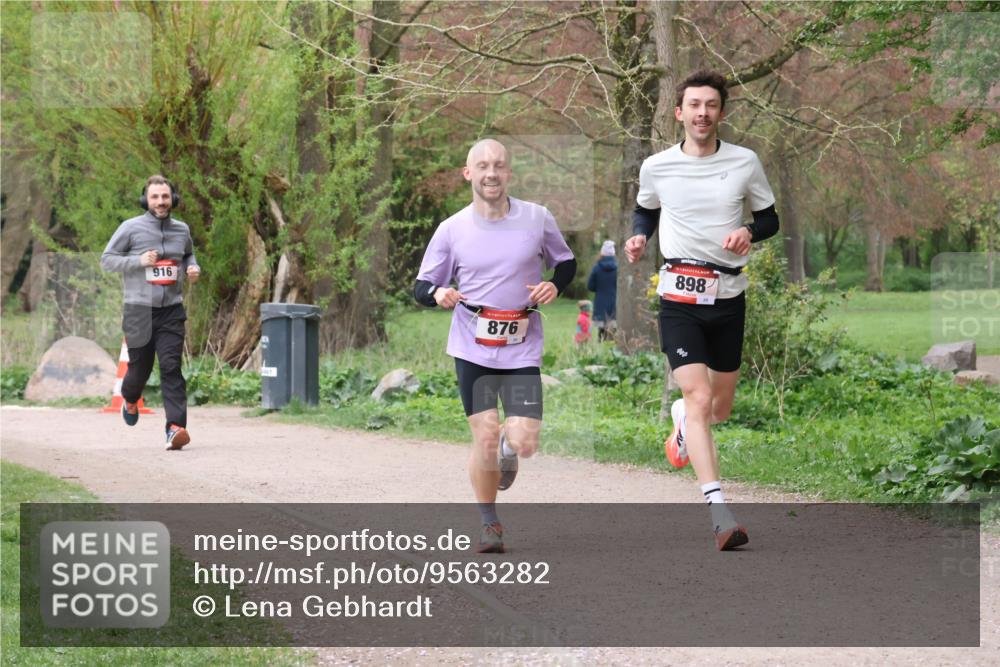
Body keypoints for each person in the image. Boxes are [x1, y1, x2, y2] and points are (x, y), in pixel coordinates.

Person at [624, 70, 780, 551]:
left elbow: (769, 217)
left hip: (728, 295)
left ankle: (682, 423)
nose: (702, 113)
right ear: (679, 112)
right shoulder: (657, 166)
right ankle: (719, 513)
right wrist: (639, 236)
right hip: (678, 297)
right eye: (694, 105)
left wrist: (749, 233)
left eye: (711, 105)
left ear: (722, 113)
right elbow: (646, 208)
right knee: (697, 398)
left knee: (719, 408)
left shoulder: (745, 162)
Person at [413, 139, 576, 553]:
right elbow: (421, 285)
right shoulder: (452, 228)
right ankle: (490, 523)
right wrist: (437, 294)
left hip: (521, 346)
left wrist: (553, 285)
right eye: (482, 166)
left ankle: (509, 445)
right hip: (472, 347)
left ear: (509, 173)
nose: (491, 173)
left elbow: (567, 262)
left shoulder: (537, 218)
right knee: (483, 436)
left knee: (525, 442)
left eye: (499, 166)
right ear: (467, 173)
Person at [101, 175, 201, 451]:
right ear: (146, 199)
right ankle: (130, 398)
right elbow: (107, 260)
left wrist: (193, 269)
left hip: (171, 310)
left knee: (171, 367)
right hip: (138, 310)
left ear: (173, 199)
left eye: (165, 197)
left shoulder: (182, 229)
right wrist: (138, 261)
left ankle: (175, 428)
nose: (160, 202)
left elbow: (189, 255)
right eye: (155, 197)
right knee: (139, 370)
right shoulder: (130, 228)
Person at [587, 240, 618, 341]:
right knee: (613, 328)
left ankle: (601, 347)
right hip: (614, 301)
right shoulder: (618, 268)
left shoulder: (597, 268)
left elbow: (590, 286)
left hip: (600, 302)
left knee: (601, 330)